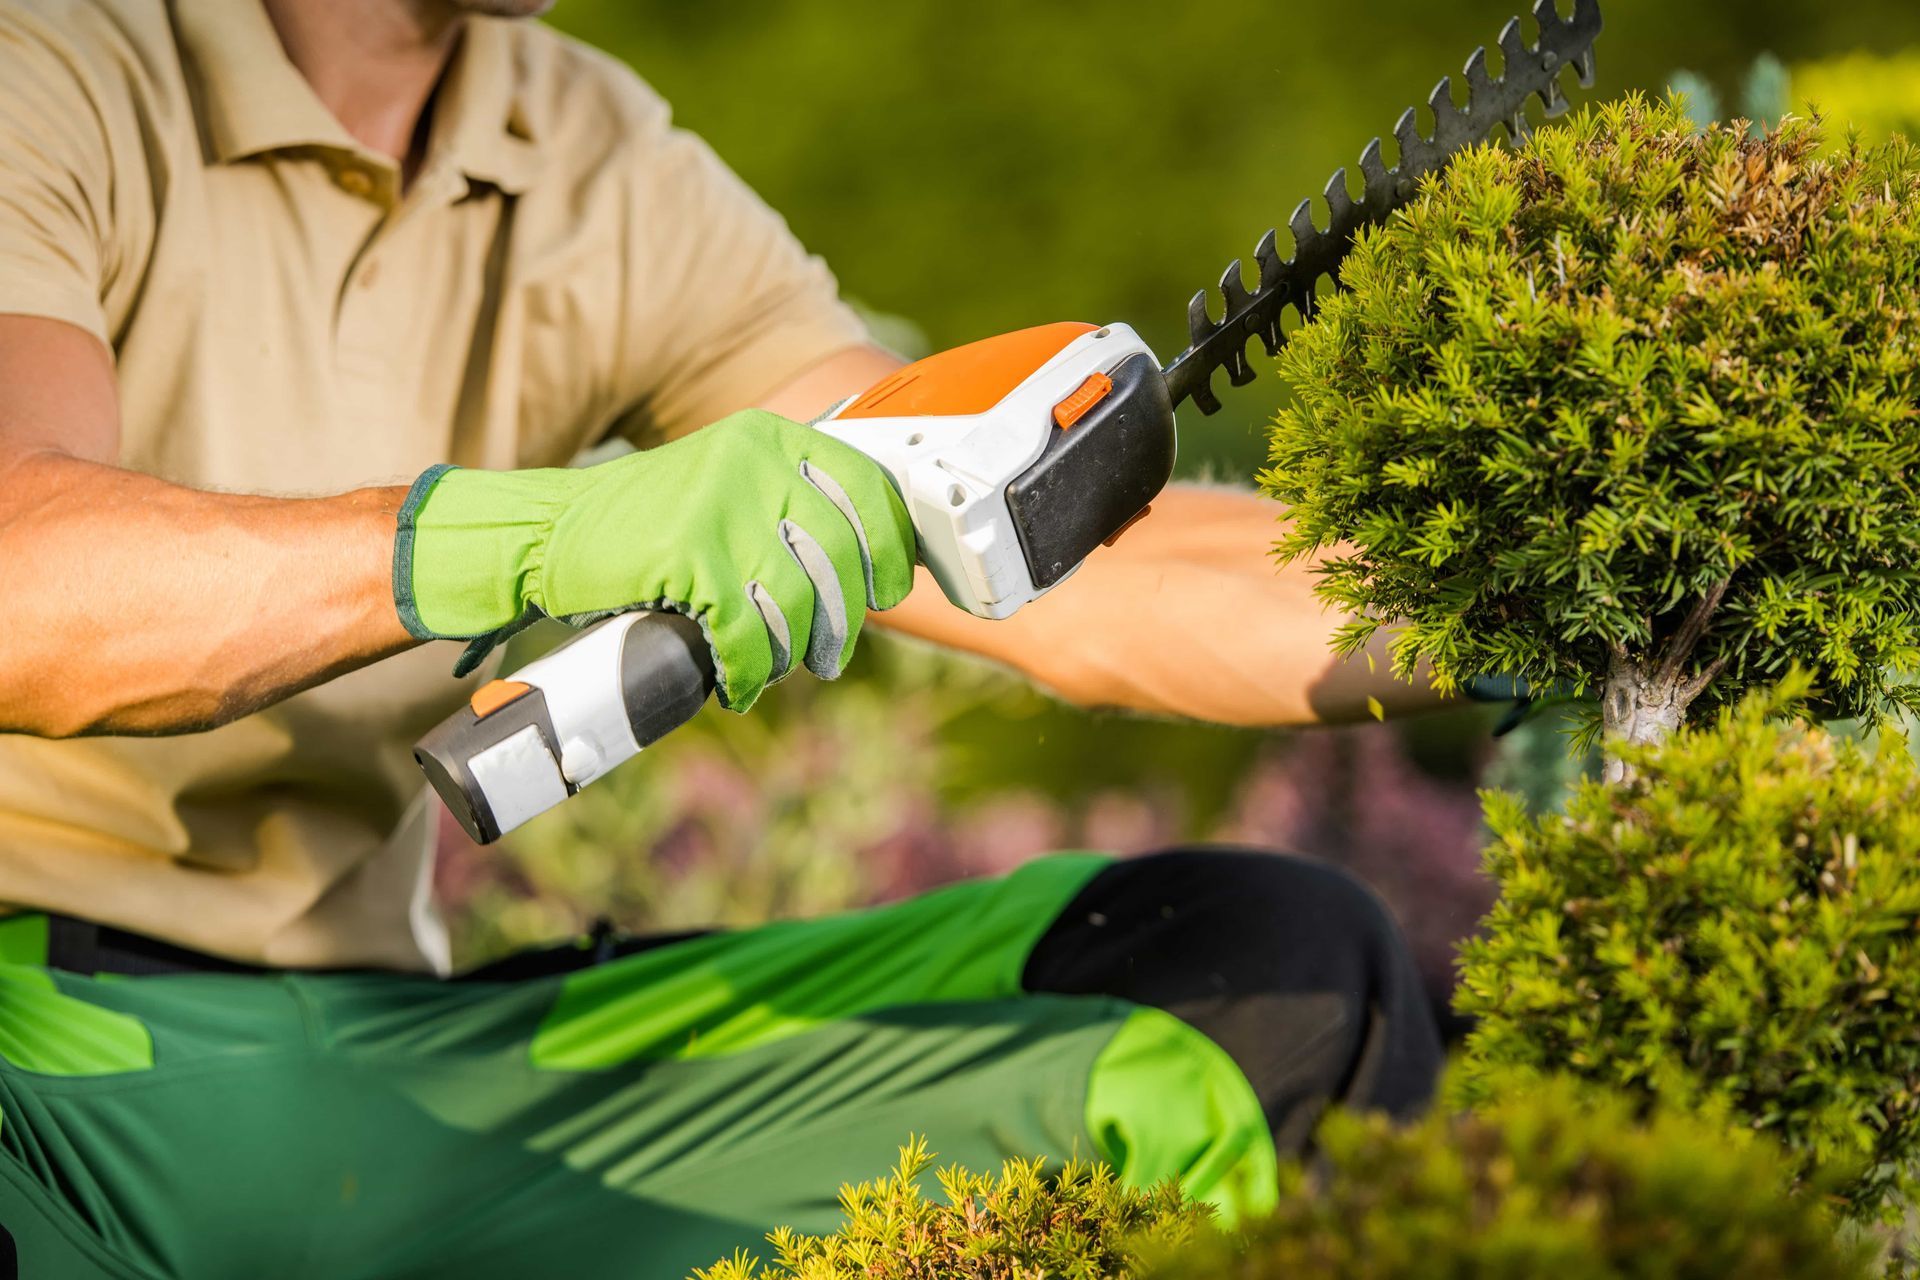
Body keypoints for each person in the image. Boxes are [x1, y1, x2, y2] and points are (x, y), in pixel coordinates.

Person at [0, 0, 1446, 1274]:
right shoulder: (53, 59)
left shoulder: (586, 157)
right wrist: (535, 532)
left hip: (377, 1072)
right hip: (33, 1080)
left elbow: (985, 536)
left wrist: (1493, 585)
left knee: (1263, 972)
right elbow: (23, 578)